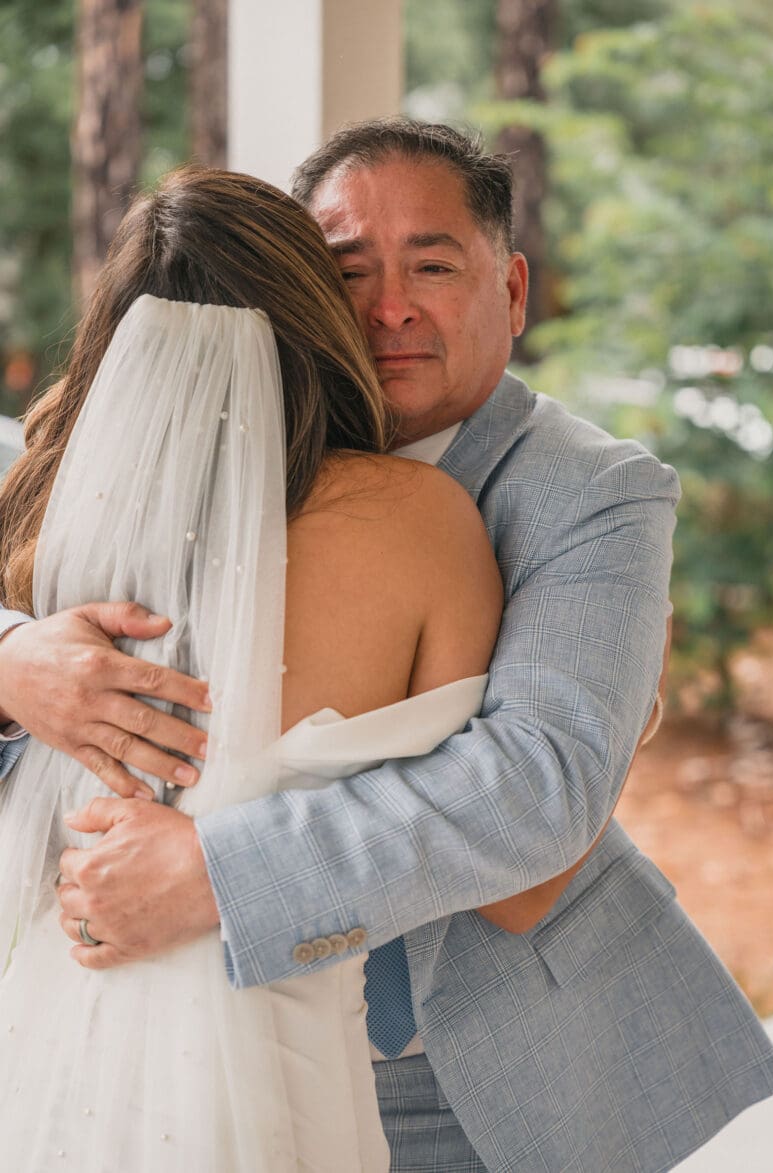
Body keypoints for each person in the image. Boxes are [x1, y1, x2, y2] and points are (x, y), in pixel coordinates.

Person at [1, 121, 773, 1171]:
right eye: (347, 267)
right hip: (160, 1039)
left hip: (492, 1070)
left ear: (509, 292)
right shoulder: (169, 463)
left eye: (430, 264)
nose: (388, 306)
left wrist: (221, 877)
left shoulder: (591, 491)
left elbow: (539, 788)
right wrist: (17, 660)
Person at [0, 163, 504, 1171]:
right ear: (318, 320)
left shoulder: (45, 515)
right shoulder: (421, 524)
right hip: (275, 1054)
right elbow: (479, 815)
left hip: (43, 1010)